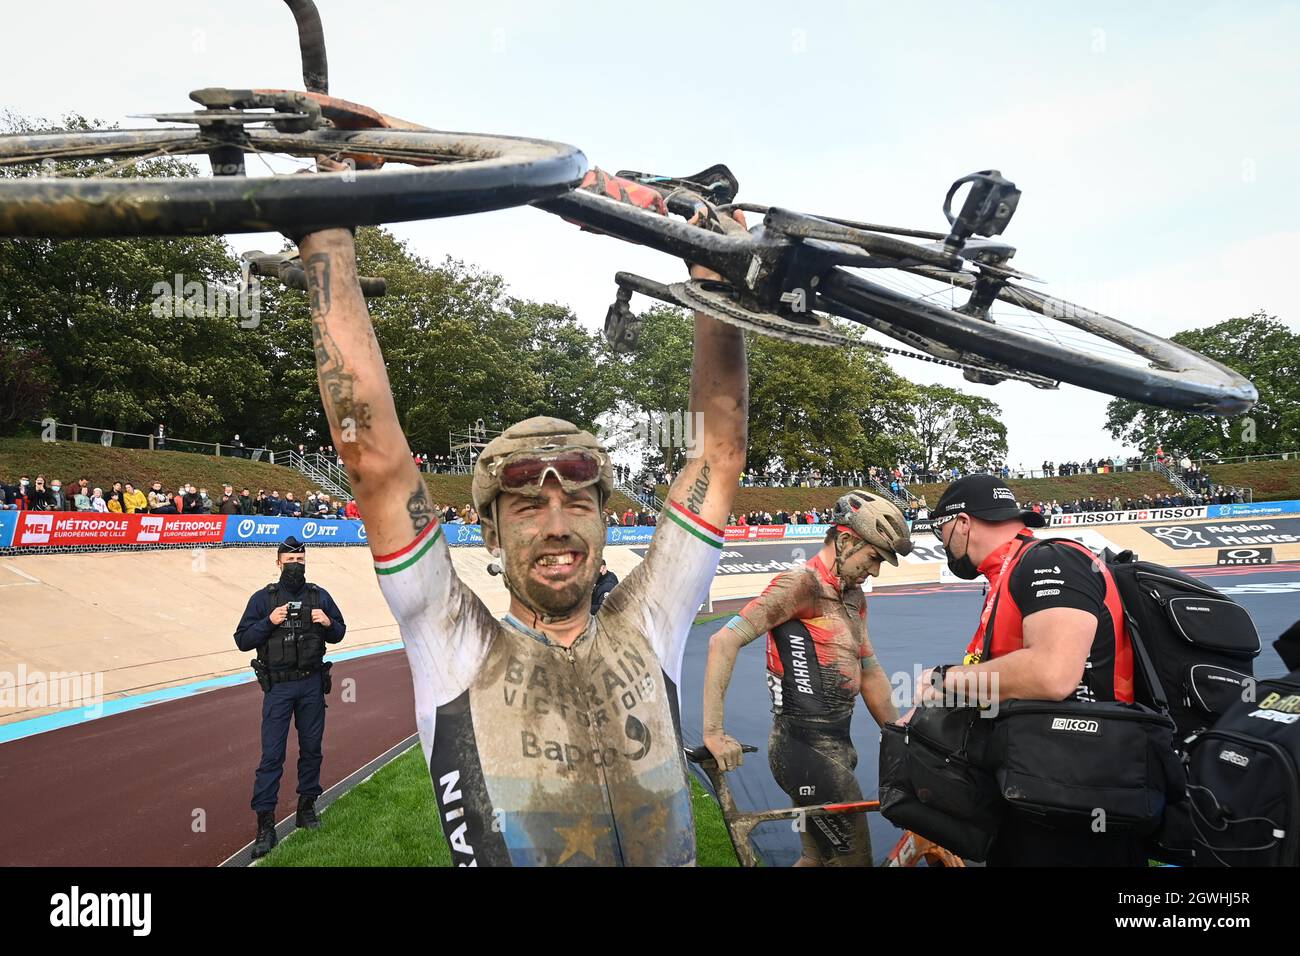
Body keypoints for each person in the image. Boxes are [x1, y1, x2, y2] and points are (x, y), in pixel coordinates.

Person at [294, 204, 747, 866]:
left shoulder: (650, 621)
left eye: (578, 504)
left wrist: (713, 275)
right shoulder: (454, 645)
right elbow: (376, 467)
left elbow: (718, 456)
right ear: (492, 535)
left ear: (607, 516)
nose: (559, 528)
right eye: (529, 507)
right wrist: (324, 244)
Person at [921, 474, 1143, 866]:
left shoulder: (1049, 559)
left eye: (942, 531)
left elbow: (1052, 674)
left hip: (1079, 790)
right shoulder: (1008, 572)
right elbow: (1000, 677)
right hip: (1041, 780)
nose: (943, 544)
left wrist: (942, 679)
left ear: (963, 522)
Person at [702, 491, 911, 866]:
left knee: (816, 859)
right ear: (846, 541)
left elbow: (870, 672)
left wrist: (896, 735)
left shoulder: (852, 597)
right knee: (854, 861)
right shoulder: (802, 584)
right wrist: (714, 732)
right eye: (874, 558)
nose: (875, 571)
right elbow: (723, 640)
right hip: (803, 751)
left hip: (833, 748)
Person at [233, 537, 347, 859]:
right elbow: (242, 639)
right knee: (272, 755)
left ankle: (306, 809)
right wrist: (270, 622)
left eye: (300, 559)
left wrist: (327, 622)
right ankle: (265, 826)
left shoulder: (319, 596)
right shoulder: (263, 600)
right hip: (279, 689)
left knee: (312, 749)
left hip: (311, 684)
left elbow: (339, 632)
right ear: (278, 562)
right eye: (290, 559)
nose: (295, 564)